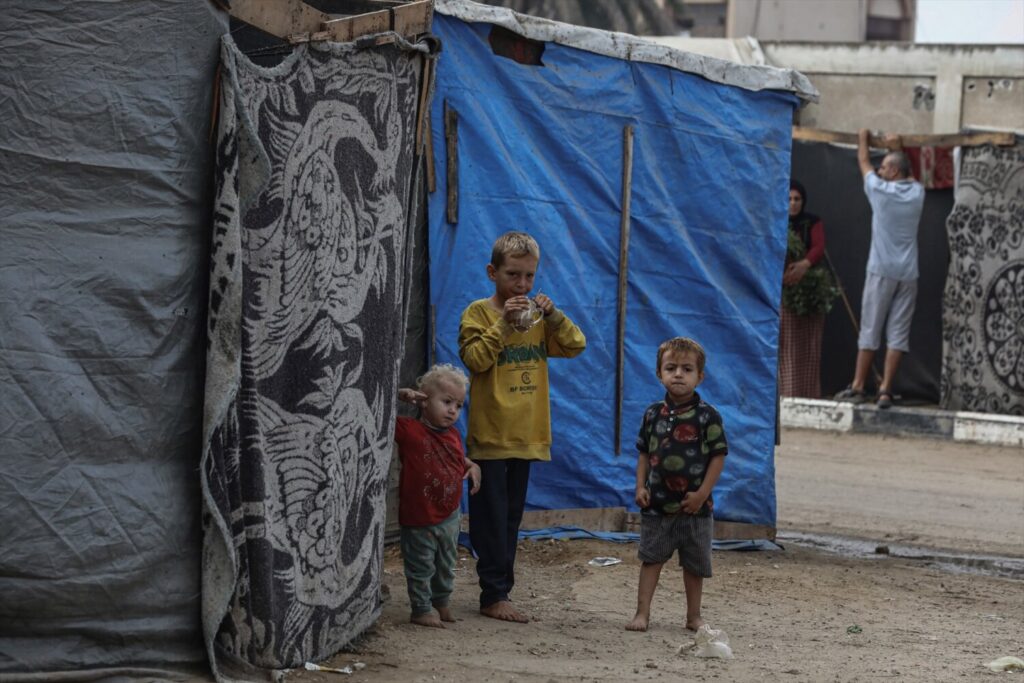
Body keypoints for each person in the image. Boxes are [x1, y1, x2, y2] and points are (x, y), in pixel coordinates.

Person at [458, 231, 586, 623]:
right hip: (491, 435)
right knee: (490, 519)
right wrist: (503, 324)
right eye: (513, 275)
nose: (522, 284)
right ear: (492, 272)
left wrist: (554, 315)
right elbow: (475, 360)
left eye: (529, 276)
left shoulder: (538, 318)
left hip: (527, 434)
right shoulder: (478, 313)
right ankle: (493, 594)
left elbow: (575, 344)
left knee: (511, 517)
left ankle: (499, 592)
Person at [626, 337, 728, 633]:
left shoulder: (708, 416)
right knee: (651, 559)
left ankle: (693, 616)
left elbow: (718, 457)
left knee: (695, 565)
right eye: (671, 368)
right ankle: (642, 613)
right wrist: (640, 487)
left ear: (700, 376)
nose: (679, 374)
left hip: (695, 510)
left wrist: (702, 495)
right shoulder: (652, 414)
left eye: (687, 369)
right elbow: (644, 453)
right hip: (657, 506)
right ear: (659, 374)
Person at [835, 129, 925, 409]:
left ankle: (859, 385)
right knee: (898, 333)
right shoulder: (918, 193)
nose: (879, 170)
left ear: (894, 171)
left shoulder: (880, 191)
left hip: (881, 270)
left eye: (884, 167)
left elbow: (863, 161)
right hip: (908, 273)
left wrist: (863, 136)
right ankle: (885, 389)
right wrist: (896, 147)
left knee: (870, 329)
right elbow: (909, 174)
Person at [394, 363, 482, 628]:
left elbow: (455, 458)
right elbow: (378, 413)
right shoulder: (409, 430)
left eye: (458, 405)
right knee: (421, 565)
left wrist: (471, 465)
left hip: (449, 514)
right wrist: (401, 395)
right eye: (446, 402)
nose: (453, 410)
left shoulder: (453, 435)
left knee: (446, 563)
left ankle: (441, 601)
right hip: (419, 515)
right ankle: (421, 608)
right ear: (423, 400)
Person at [779, 179, 830, 398]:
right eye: (789, 199)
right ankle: (787, 394)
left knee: (808, 348)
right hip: (784, 294)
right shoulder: (777, 222)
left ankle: (808, 395)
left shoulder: (812, 222)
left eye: (797, 199)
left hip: (809, 295)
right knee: (787, 346)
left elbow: (818, 246)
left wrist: (804, 265)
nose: (793, 203)